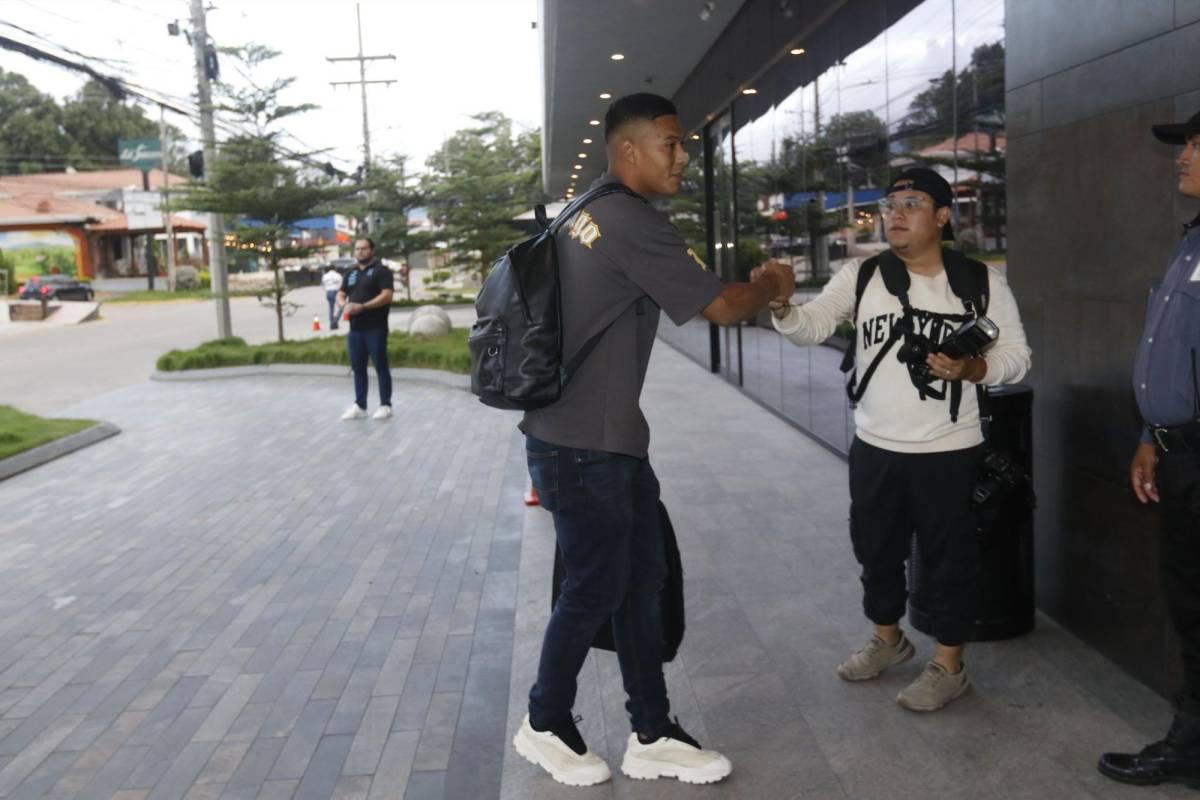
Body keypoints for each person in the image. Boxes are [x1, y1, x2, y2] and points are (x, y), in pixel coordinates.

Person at [511, 92, 794, 787]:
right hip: (585, 446)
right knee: (596, 585)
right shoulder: (628, 221)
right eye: (670, 143)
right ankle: (545, 721)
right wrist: (771, 283)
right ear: (628, 150)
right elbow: (723, 307)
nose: (683, 156)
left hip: (598, 440)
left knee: (640, 580)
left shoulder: (582, 212)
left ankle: (652, 730)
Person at [764, 168, 1030, 712]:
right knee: (875, 551)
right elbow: (810, 327)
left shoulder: (980, 282)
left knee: (950, 559)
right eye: (890, 205)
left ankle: (949, 665)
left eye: (911, 203)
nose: (896, 214)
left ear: (942, 216)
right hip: (875, 446)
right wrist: (782, 306)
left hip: (950, 450)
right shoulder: (862, 275)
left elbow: (1017, 358)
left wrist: (973, 368)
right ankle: (889, 640)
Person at [1099, 109, 1200, 789]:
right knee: (1190, 607)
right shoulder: (1191, 243)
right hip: (1177, 455)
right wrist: (1149, 439)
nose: (1182, 156)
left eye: (1196, 143)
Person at [336, 238, 394, 421]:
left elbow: (387, 295)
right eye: (357, 249)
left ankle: (385, 405)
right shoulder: (350, 272)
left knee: (380, 366)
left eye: (364, 248)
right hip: (355, 330)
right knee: (358, 367)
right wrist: (342, 305)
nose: (360, 252)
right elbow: (341, 293)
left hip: (375, 328)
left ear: (372, 250)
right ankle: (360, 406)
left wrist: (363, 307)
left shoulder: (381, 271)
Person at [321, 264, 343, 330]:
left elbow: (323, 285)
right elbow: (341, 285)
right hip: (336, 291)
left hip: (328, 292)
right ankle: (335, 321)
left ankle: (331, 324)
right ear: (335, 269)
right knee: (342, 306)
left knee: (331, 308)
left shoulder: (325, 276)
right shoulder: (338, 275)